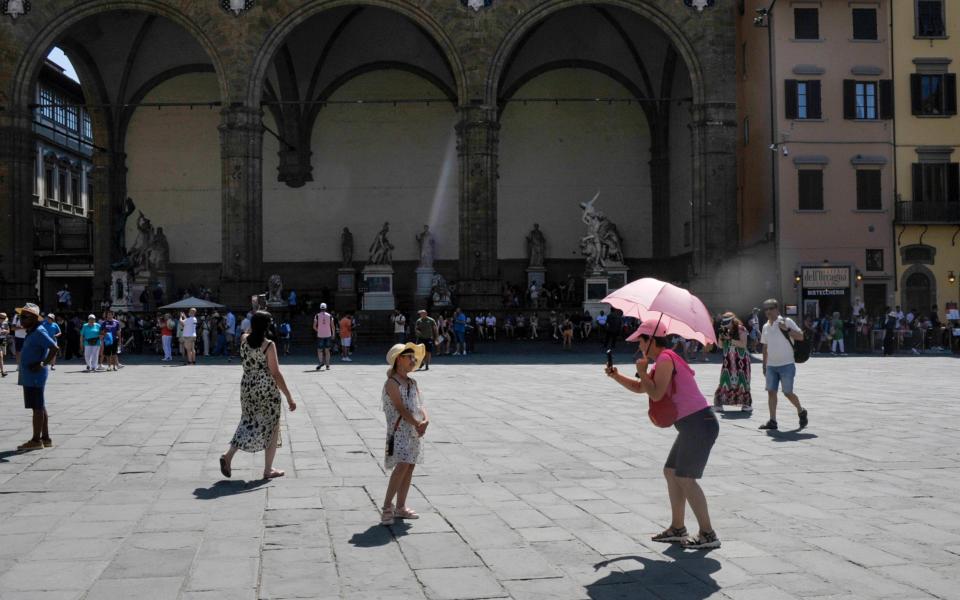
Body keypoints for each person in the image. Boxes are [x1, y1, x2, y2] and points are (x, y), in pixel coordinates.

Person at [605, 318, 720, 549]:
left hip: (699, 423)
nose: (638, 346)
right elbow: (641, 387)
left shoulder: (666, 358)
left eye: (640, 341)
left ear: (650, 341)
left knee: (685, 478)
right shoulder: (661, 361)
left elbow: (656, 395)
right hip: (693, 424)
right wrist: (617, 376)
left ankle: (708, 534)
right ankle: (677, 528)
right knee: (671, 471)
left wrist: (641, 371)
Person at [219, 311, 297, 480]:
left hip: (247, 386)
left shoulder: (244, 339)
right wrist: (289, 396)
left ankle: (228, 455)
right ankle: (268, 469)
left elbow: (247, 331)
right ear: (267, 326)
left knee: (248, 421)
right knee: (273, 425)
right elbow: (275, 373)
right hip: (266, 388)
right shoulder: (269, 345)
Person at [380, 343, 430, 526]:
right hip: (399, 431)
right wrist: (418, 423)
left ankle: (401, 506)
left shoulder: (412, 382)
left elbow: (421, 404)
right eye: (410, 357)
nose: (414, 360)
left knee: (410, 467)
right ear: (399, 359)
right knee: (401, 466)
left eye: (414, 357)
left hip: (414, 431)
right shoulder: (391, 383)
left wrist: (425, 420)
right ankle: (387, 506)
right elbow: (400, 408)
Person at [14, 304, 59, 452]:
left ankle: (35, 440)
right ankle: (45, 438)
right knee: (40, 405)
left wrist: (42, 363)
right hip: (31, 375)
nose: (22, 319)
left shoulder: (39, 331)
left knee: (37, 407)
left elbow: (54, 348)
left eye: (25, 317)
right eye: (21, 316)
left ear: (34, 318)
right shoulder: (32, 331)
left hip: (35, 375)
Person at [759, 299, 808, 431]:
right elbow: (765, 347)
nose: (768, 311)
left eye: (771, 308)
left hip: (787, 364)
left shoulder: (786, 321)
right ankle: (773, 420)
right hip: (771, 366)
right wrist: (764, 365)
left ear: (777, 309)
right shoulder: (765, 327)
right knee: (771, 392)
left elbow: (801, 336)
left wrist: (786, 330)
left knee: (787, 392)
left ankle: (801, 410)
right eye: (766, 309)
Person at [713, 312, 752, 412]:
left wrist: (730, 339)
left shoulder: (741, 329)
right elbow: (720, 346)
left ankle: (746, 404)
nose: (726, 325)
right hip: (728, 360)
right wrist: (721, 336)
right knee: (724, 380)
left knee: (742, 380)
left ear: (732, 321)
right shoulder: (723, 330)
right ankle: (719, 404)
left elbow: (743, 344)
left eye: (727, 323)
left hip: (741, 360)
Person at [313, 303, 335, 371]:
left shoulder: (317, 315)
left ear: (320, 308)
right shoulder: (330, 316)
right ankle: (328, 365)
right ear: (326, 308)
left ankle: (321, 362)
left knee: (320, 350)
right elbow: (332, 326)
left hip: (320, 335)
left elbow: (314, 326)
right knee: (327, 350)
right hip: (328, 335)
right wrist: (333, 334)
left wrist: (318, 330)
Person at [0, 312, 9, 377]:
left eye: (4, 318)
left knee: (2, 355)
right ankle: (2, 372)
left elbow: (8, 331)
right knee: (1, 356)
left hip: (3, 340)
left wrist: (6, 331)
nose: (3, 319)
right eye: (1, 318)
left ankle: (2, 371)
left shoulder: (5, 323)